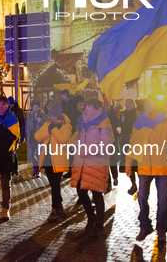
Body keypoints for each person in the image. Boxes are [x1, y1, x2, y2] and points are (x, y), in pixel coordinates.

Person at [127, 90, 167, 249]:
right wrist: (128, 163)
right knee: (141, 197)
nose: (148, 105)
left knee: (162, 201)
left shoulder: (166, 119)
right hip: (145, 166)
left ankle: (162, 231)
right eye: (146, 102)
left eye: (151, 102)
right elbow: (133, 142)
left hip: (162, 165)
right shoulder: (140, 121)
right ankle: (145, 226)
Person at [70, 98, 113, 237]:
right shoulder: (82, 122)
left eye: (88, 106)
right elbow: (78, 139)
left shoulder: (103, 124)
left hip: (96, 163)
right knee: (81, 192)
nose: (85, 108)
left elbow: (106, 144)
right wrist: (76, 147)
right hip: (82, 163)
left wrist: (87, 150)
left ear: (95, 108)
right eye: (86, 105)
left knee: (97, 194)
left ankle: (99, 224)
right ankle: (91, 217)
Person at [35, 102, 72, 222]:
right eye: (50, 116)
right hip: (47, 160)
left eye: (54, 116)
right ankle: (59, 206)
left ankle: (54, 209)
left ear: (59, 116)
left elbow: (63, 139)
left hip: (58, 161)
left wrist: (54, 130)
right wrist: (50, 130)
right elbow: (37, 136)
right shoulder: (47, 124)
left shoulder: (67, 126)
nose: (52, 118)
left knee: (55, 186)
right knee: (53, 185)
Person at [60, 89, 81, 178]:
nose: (61, 97)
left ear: (66, 95)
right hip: (66, 128)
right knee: (68, 151)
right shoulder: (63, 103)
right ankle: (69, 170)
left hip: (73, 128)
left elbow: (74, 114)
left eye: (62, 95)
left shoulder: (73, 103)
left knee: (74, 150)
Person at [120, 98, 138, 195]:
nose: (127, 105)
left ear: (133, 104)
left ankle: (141, 183)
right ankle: (133, 183)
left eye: (129, 103)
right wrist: (120, 132)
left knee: (137, 162)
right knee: (129, 164)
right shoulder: (123, 114)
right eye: (126, 103)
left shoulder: (137, 113)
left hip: (136, 140)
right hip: (126, 140)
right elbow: (120, 125)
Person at [26, 100, 48, 177]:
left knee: (39, 155)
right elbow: (27, 126)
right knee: (31, 155)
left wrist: (41, 121)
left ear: (39, 107)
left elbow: (47, 125)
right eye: (34, 107)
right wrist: (26, 135)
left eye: (37, 107)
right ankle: (35, 167)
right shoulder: (30, 116)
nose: (35, 108)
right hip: (31, 138)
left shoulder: (43, 115)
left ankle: (38, 171)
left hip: (39, 139)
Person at [105, 99, 122, 187]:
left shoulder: (113, 114)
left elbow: (118, 125)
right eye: (104, 106)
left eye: (107, 106)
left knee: (113, 161)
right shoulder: (101, 115)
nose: (106, 107)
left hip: (113, 140)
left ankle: (115, 177)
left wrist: (119, 134)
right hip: (104, 142)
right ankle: (108, 182)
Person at [8, 97, 26, 177]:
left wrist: (22, 135)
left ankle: (14, 169)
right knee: (11, 151)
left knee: (13, 151)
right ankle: (13, 169)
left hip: (16, 134)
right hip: (9, 134)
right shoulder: (8, 110)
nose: (10, 105)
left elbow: (22, 123)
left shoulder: (18, 111)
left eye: (10, 104)